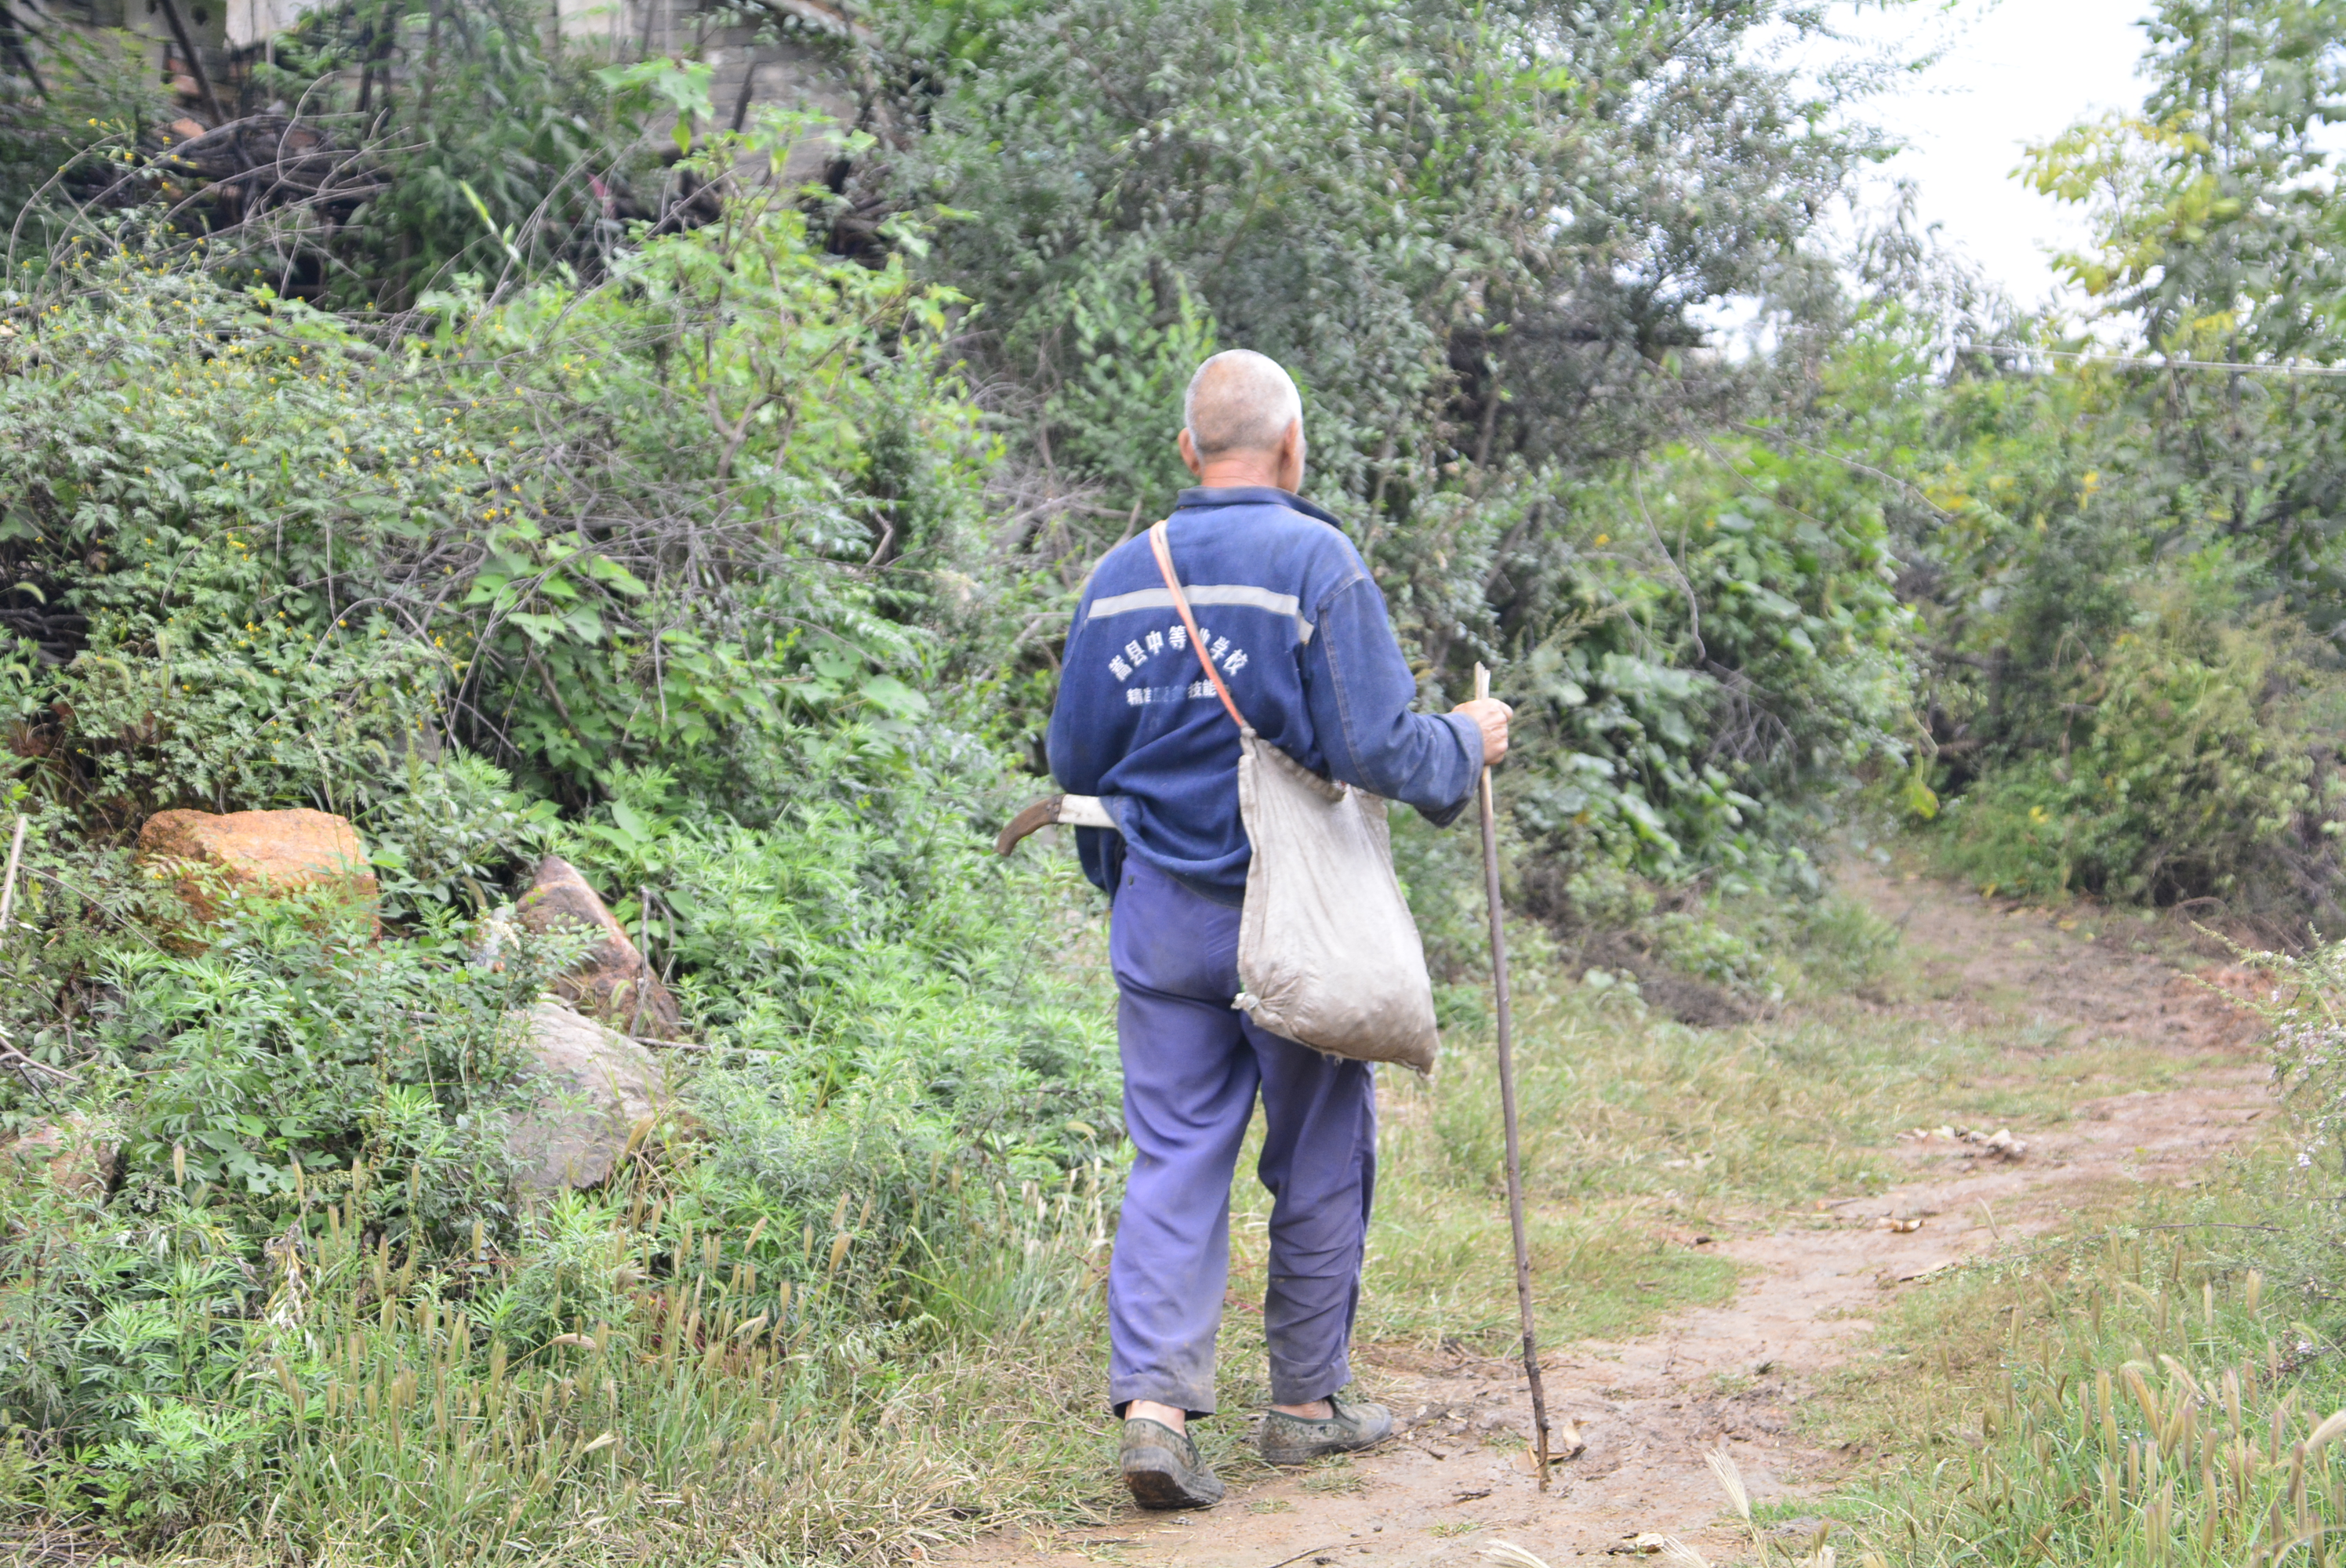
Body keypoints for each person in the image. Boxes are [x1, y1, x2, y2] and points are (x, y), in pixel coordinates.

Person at [1046, 349, 1513, 1510]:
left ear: (1188, 452)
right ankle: (1307, 1406)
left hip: (1162, 916)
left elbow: (1076, 765)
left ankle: (1156, 1412)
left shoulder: (1118, 575)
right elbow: (1376, 748)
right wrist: (1467, 741)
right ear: (1294, 449)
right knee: (1318, 1147)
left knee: (1172, 1157)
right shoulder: (1318, 560)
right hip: (1295, 920)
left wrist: (1137, 884)